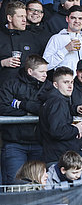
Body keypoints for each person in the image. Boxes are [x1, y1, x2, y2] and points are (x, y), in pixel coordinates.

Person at [0, 55, 52, 185]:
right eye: (42, 72)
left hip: (39, 143)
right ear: (30, 71)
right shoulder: (11, 83)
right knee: (15, 186)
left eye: (46, 71)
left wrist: (20, 104)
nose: (45, 75)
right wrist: (26, 112)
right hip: (14, 143)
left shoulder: (49, 87)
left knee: (39, 186)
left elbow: (47, 109)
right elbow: (2, 107)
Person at [39, 66, 82, 165]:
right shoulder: (58, 102)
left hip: (56, 156)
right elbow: (57, 131)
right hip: (59, 159)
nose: (70, 86)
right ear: (55, 84)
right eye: (65, 82)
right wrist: (76, 129)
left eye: (72, 82)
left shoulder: (55, 99)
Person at [43, 5, 82, 76]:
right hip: (64, 84)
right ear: (67, 19)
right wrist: (65, 49)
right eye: (73, 18)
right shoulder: (56, 38)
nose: (77, 21)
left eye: (80, 18)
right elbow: (45, 66)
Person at [0, 1, 43, 84]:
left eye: (25, 16)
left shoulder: (33, 38)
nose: (24, 20)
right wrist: (2, 63)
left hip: (26, 89)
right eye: (20, 16)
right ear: (9, 18)